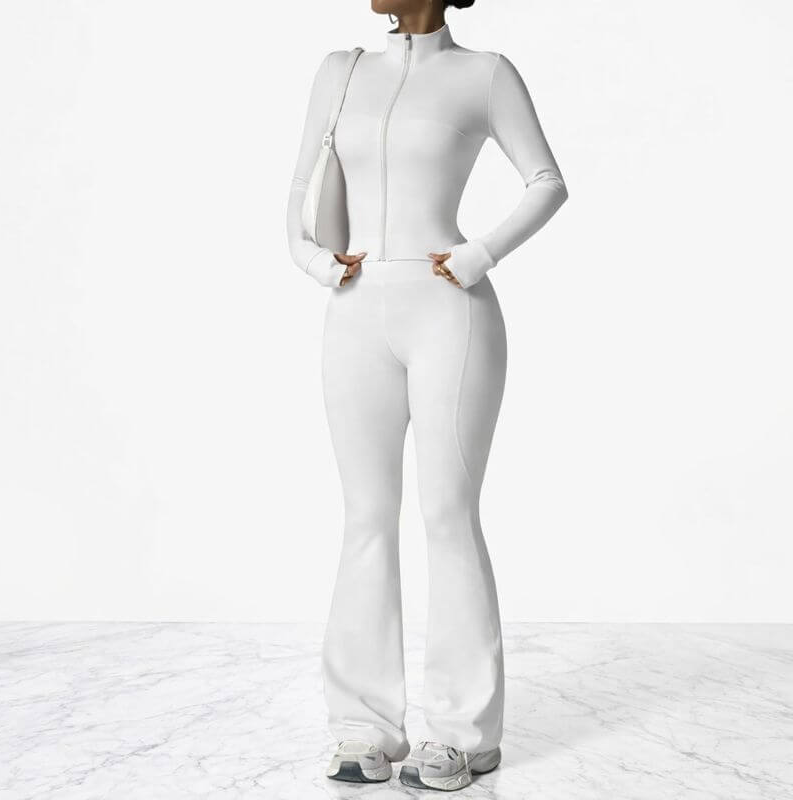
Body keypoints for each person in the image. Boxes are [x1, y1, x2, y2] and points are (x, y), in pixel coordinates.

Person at [285, 0, 568, 791]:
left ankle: (462, 734)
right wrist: (320, 265)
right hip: (353, 311)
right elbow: (298, 197)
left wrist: (479, 255)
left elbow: (548, 182)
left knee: (447, 515)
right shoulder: (340, 72)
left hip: (451, 313)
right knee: (365, 518)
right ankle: (363, 725)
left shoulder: (485, 75)